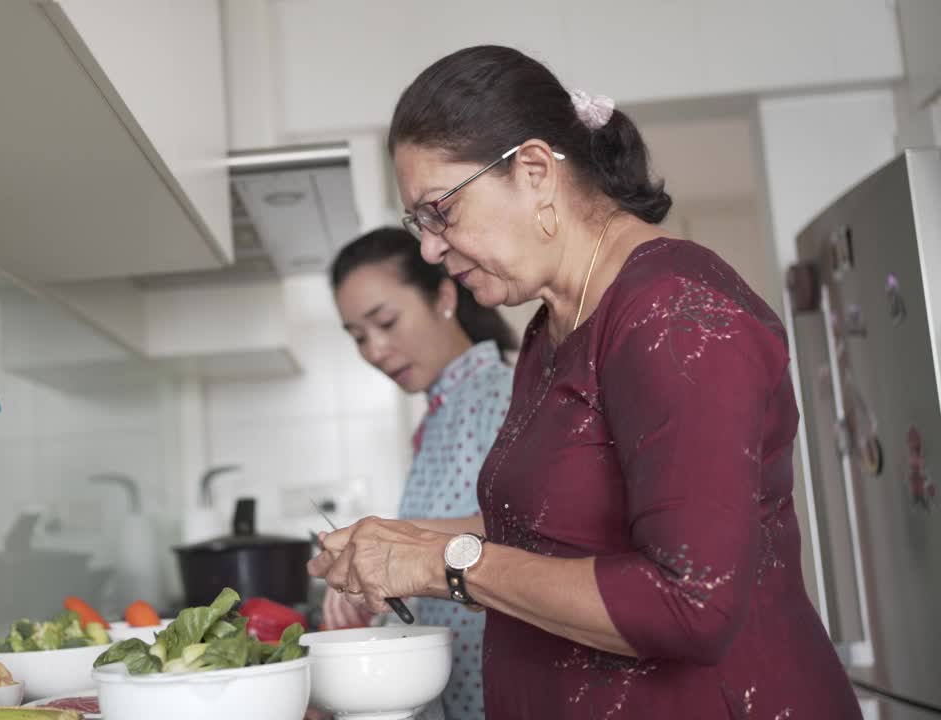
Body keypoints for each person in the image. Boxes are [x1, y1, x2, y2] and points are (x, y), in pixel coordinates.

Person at [309, 45, 861, 719]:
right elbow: (553, 532)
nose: (429, 248)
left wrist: (440, 564)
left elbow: (692, 602)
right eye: (418, 223)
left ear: (535, 170)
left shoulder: (675, 312)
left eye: (440, 210)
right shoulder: (553, 328)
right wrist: (396, 545)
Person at [325, 227, 517, 720]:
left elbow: (528, 532)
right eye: (358, 337)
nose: (374, 350)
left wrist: (383, 544)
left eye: (385, 321)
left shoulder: (500, 394)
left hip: (498, 688)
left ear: (444, 296)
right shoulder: (438, 416)